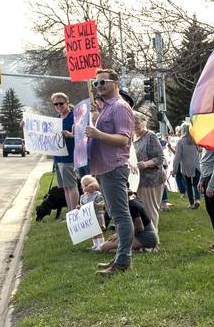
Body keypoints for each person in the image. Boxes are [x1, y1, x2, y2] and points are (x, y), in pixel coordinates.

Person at [84, 69, 136, 276]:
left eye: (103, 82)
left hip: (114, 167)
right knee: (115, 215)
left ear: (116, 83)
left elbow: (124, 139)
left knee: (122, 216)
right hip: (104, 167)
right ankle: (119, 259)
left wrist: (98, 133)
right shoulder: (107, 108)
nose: (99, 86)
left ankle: (123, 261)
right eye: (97, 83)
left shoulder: (120, 107)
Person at [132, 112, 166, 230]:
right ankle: (145, 240)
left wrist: (146, 164)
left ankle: (153, 242)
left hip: (152, 180)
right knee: (142, 211)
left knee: (150, 210)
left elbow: (160, 158)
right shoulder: (134, 138)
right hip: (138, 180)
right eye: (132, 123)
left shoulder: (150, 136)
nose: (135, 125)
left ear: (144, 122)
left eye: (137, 122)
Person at [52, 93, 80, 211]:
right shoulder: (56, 118)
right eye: (56, 104)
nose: (59, 106)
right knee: (65, 188)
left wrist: (71, 135)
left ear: (67, 103)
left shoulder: (74, 117)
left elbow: (83, 135)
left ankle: (74, 213)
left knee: (72, 186)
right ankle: (70, 213)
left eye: (61, 103)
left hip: (70, 157)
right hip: (58, 158)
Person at [173, 122, 202, 209]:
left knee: (188, 185)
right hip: (197, 165)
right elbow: (200, 150)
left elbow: (177, 157)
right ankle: (197, 199)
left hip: (186, 167)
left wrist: (174, 168)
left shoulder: (181, 141)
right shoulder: (196, 139)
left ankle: (192, 203)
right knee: (196, 183)